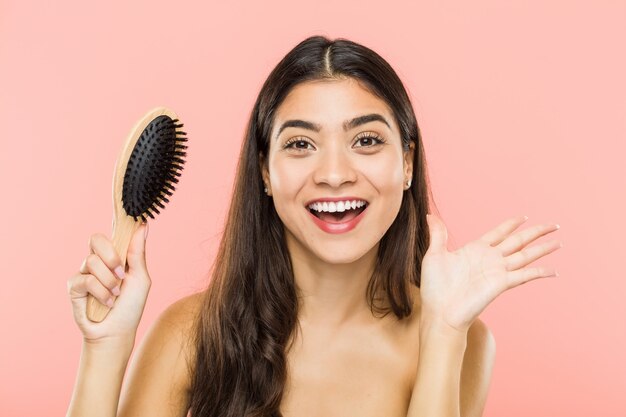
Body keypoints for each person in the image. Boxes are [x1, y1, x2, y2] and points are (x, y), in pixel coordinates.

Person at [66, 35, 562, 417]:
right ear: (265, 171)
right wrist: (104, 347)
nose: (333, 173)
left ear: (407, 164)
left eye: (366, 140)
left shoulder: (462, 338)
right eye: (301, 144)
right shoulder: (192, 334)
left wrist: (445, 330)